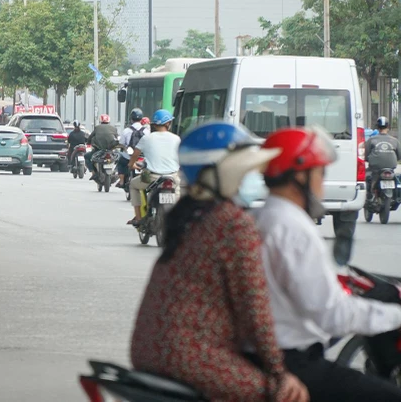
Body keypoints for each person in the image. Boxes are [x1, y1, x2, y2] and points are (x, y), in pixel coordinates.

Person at [131, 121, 307, 402]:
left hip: (151, 348)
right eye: (246, 171)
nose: (255, 177)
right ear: (222, 174)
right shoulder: (232, 223)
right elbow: (254, 307)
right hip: (188, 356)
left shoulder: (190, 215)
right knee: (288, 395)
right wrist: (279, 371)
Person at [255, 127, 401, 401]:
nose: (322, 185)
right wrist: (395, 316)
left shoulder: (259, 217)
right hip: (291, 360)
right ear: (300, 175)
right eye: (320, 173)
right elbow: (332, 315)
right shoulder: (294, 228)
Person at [127, 109, 180, 225]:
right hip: (173, 177)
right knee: (178, 198)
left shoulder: (147, 138)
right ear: (168, 123)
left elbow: (135, 155)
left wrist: (131, 165)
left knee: (133, 185)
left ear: (154, 124)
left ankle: (138, 217)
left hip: (152, 178)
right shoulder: (176, 139)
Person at [365, 115, 400, 203]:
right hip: (391, 167)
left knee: (366, 177)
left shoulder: (371, 140)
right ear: (388, 127)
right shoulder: (395, 140)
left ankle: (370, 195)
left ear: (377, 127)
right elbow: (399, 156)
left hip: (375, 168)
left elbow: (366, 155)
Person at [117, 108, 145, 188]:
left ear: (131, 119)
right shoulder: (146, 131)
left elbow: (122, 143)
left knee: (121, 163)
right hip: (143, 155)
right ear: (141, 119)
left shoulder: (126, 130)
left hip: (130, 155)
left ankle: (121, 181)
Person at [85, 114, 118, 179]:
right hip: (110, 150)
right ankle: (115, 172)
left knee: (86, 156)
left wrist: (88, 142)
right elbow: (116, 138)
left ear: (100, 121)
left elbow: (90, 137)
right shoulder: (114, 128)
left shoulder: (97, 128)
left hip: (99, 150)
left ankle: (93, 173)